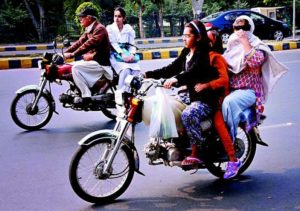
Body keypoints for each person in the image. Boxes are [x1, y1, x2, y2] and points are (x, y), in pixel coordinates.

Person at [145, 20, 219, 166]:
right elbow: (172, 68)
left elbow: (192, 73)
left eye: (187, 36)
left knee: (188, 114)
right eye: (183, 35)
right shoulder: (187, 52)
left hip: (206, 99)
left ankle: (197, 153)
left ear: (198, 37)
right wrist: (148, 75)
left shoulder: (203, 53)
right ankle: (177, 141)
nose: (184, 39)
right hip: (191, 96)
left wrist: (175, 80)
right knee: (167, 106)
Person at [222, 15, 287, 177]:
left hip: (249, 92)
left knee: (229, 103)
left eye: (244, 28)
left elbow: (255, 61)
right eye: (237, 28)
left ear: (250, 29)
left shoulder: (258, 46)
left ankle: (230, 152)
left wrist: (245, 42)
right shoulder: (230, 46)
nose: (240, 31)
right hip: (231, 90)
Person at [194, 24, 240, 179]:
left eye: (208, 39)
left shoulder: (216, 57)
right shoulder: (200, 55)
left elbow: (224, 80)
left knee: (219, 124)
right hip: (201, 97)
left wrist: (207, 85)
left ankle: (233, 160)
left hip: (217, 98)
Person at [64, 7, 112, 105]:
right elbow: (79, 42)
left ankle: (86, 96)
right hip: (92, 61)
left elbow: (90, 44)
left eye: (82, 17)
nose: (80, 19)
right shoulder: (89, 29)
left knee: (76, 68)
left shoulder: (99, 29)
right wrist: (65, 53)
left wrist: (73, 54)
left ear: (89, 18)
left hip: (101, 63)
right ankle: (79, 90)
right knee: (69, 67)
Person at [106, 7, 141, 90]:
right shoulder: (110, 28)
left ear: (124, 18)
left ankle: (130, 93)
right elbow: (113, 44)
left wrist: (132, 54)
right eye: (115, 16)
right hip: (115, 55)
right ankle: (121, 94)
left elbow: (132, 44)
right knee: (126, 70)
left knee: (136, 70)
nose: (117, 19)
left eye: (119, 16)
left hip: (127, 53)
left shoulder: (128, 28)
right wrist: (122, 54)